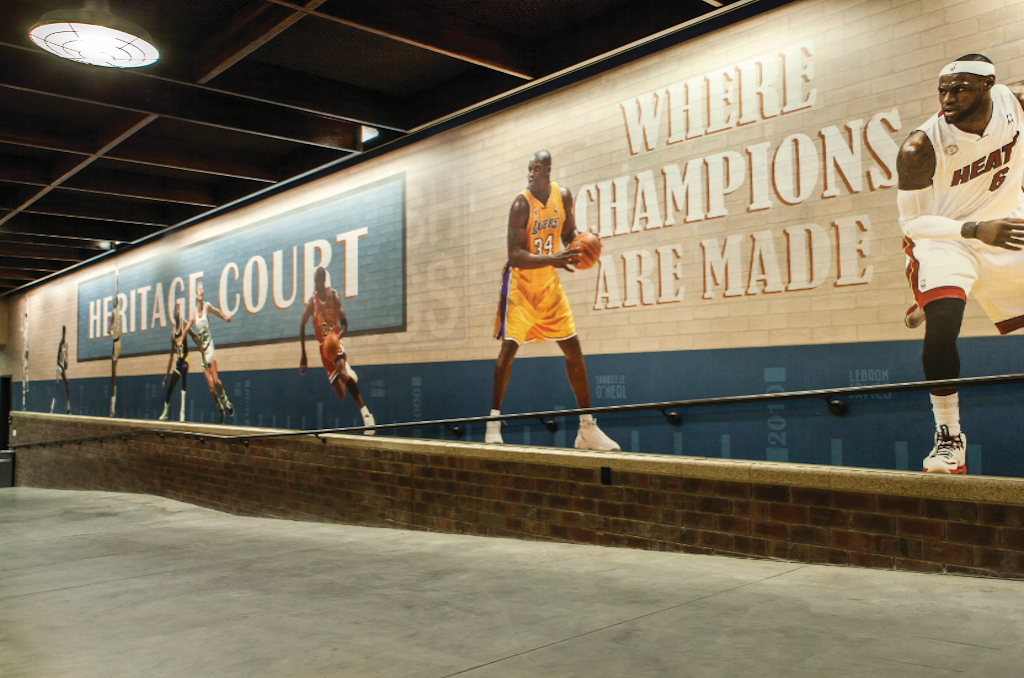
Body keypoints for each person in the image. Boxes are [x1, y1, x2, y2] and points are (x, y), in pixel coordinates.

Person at [897, 54, 1024, 473]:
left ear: (988, 85)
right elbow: (912, 222)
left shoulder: (1014, 103)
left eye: (961, 88)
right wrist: (973, 229)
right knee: (945, 320)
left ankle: (927, 297)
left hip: (1006, 222)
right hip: (947, 236)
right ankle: (949, 437)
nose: (949, 97)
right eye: (943, 90)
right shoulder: (920, 147)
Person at [487, 150, 620, 451]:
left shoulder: (564, 197)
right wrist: (554, 257)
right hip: (520, 285)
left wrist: (585, 243)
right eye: (528, 169)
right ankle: (492, 423)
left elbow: (569, 233)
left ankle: (587, 428)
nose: (531, 174)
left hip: (548, 285)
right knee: (508, 349)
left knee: (574, 349)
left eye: (536, 169)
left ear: (548, 171)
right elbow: (514, 255)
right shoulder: (521, 205)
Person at [299, 266, 375, 434]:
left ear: (324, 280)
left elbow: (345, 324)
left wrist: (336, 338)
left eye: (320, 280)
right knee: (341, 394)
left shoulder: (333, 296)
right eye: (315, 280)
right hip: (323, 348)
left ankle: (367, 416)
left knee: (341, 372)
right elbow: (302, 324)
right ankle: (347, 371)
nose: (317, 283)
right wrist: (304, 355)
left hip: (334, 340)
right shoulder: (312, 303)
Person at [188, 282, 235, 424]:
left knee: (216, 380)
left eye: (202, 289)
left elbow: (216, 311)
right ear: (196, 295)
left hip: (210, 349)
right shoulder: (193, 316)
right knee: (211, 389)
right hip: (202, 355)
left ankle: (227, 403)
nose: (201, 292)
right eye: (198, 290)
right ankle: (221, 409)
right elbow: (188, 331)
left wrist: (225, 317)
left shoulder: (206, 307)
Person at [160, 305, 190, 422]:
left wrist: (201, 347)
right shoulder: (173, 334)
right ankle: (165, 412)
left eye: (178, 311)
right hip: (178, 361)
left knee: (183, 371)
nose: (177, 313)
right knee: (170, 388)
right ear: (173, 316)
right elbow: (171, 356)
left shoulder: (184, 325)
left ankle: (182, 412)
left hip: (185, 359)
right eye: (175, 311)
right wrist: (167, 375)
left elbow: (192, 334)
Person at [50, 326, 70, 414]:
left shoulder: (66, 345)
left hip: (63, 367)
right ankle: (52, 407)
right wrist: (61, 366)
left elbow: (67, 357)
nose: (64, 335)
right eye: (63, 333)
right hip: (59, 367)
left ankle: (68, 407)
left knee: (67, 384)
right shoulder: (60, 344)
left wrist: (66, 365)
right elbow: (57, 359)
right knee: (57, 385)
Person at [107, 296, 122, 417]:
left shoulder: (116, 311)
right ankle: (112, 406)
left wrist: (108, 328)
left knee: (113, 375)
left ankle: (113, 406)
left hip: (116, 343)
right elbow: (112, 320)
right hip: (116, 342)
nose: (112, 302)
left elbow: (112, 319)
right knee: (113, 374)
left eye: (114, 301)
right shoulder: (116, 312)